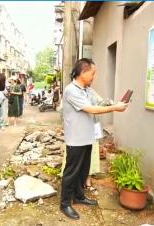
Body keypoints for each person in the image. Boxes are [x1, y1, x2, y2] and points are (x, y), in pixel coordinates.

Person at [60, 58, 128, 220]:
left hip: (88, 137)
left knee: (83, 170)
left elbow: (99, 102)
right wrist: (114, 109)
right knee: (71, 172)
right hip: (76, 139)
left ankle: (79, 196)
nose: (94, 77)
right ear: (83, 73)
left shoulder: (87, 90)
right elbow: (91, 109)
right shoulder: (72, 90)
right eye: (93, 73)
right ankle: (65, 204)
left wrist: (112, 103)